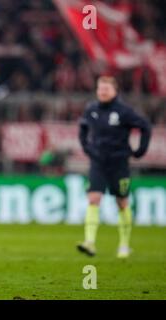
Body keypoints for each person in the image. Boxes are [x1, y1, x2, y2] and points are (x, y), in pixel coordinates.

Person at [77, 76, 151, 258]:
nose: (102, 92)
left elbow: (145, 127)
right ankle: (90, 242)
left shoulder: (124, 111)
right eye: (100, 89)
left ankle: (124, 245)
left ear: (115, 91)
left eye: (106, 89)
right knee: (93, 198)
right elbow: (83, 128)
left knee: (122, 202)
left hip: (119, 163)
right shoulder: (91, 109)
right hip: (98, 162)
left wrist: (140, 150)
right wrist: (87, 148)